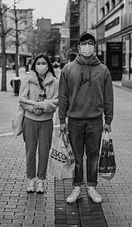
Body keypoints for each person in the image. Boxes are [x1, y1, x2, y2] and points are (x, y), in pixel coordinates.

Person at [59, 32, 114, 204]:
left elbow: (108, 97)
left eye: (91, 43)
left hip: (95, 121)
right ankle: (77, 188)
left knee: (93, 155)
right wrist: (62, 120)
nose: (87, 46)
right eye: (84, 43)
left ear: (95, 47)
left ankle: (91, 186)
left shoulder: (103, 70)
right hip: (74, 121)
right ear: (78, 47)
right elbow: (63, 96)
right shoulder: (68, 69)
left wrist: (108, 120)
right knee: (76, 156)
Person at [19, 53, 58, 194]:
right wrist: (33, 108)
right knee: (30, 151)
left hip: (46, 121)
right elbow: (22, 99)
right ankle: (31, 179)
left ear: (48, 65)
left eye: (44, 63)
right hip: (29, 120)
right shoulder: (28, 80)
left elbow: (56, 101)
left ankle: (41, 180)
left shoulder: (54, 81)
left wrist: (44, 106)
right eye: (38, 63)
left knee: (44, 152)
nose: (41, 66)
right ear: (34, 65)